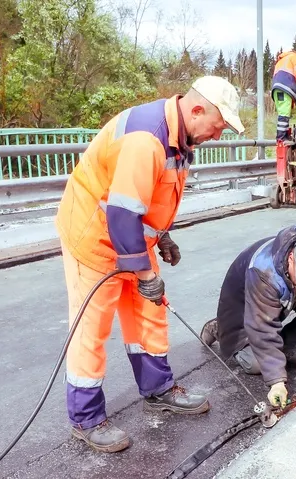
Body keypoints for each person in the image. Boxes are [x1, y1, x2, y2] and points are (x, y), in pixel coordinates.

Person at [55, 76, 245, 453]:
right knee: (92, 328)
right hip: (94, 237)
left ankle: (157, 388)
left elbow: (147, 198)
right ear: (196, 110)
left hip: (132, 238)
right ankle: (86, 418)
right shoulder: (146, 139)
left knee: (149, 314)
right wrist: (145, 272)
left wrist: (161, 235)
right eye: (218, 126)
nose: (218, 135)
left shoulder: (180, 138)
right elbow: (122, 212)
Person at [200, 225, 296, 409]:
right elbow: (263, 328)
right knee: (256, 365)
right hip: (244, 305)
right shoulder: (263, 271)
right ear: (291, 258)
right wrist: (277, 382)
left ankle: (284, 347)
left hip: (281, 293)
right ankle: (221, 328)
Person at [271, 47, 296, 141]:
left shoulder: (282, 60)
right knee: (284, 113)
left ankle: (284, 136)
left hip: (277, 88)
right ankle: (281, 138)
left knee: (284, 112)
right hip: (285, 88)